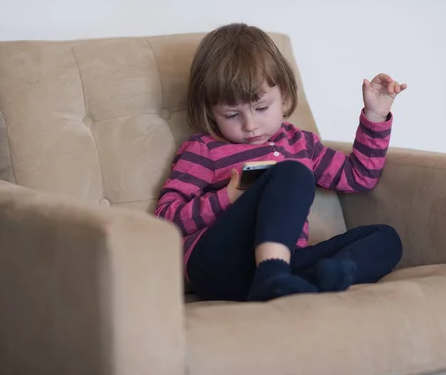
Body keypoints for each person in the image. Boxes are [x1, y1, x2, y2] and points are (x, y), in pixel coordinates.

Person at [155, 23, 406, 302]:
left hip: (285, 264)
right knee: (292, 172)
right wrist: (228, 196)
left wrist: (375, 115)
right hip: (217, 263)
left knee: (386, 238)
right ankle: (273, 275)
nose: (250, 125)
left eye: (261, 108)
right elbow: (165, 220)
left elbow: (360, 176)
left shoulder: (301, 143)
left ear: (284, 95)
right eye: (231, 115)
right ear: (211, 113)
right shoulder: (204, 148)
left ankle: (308, 280)